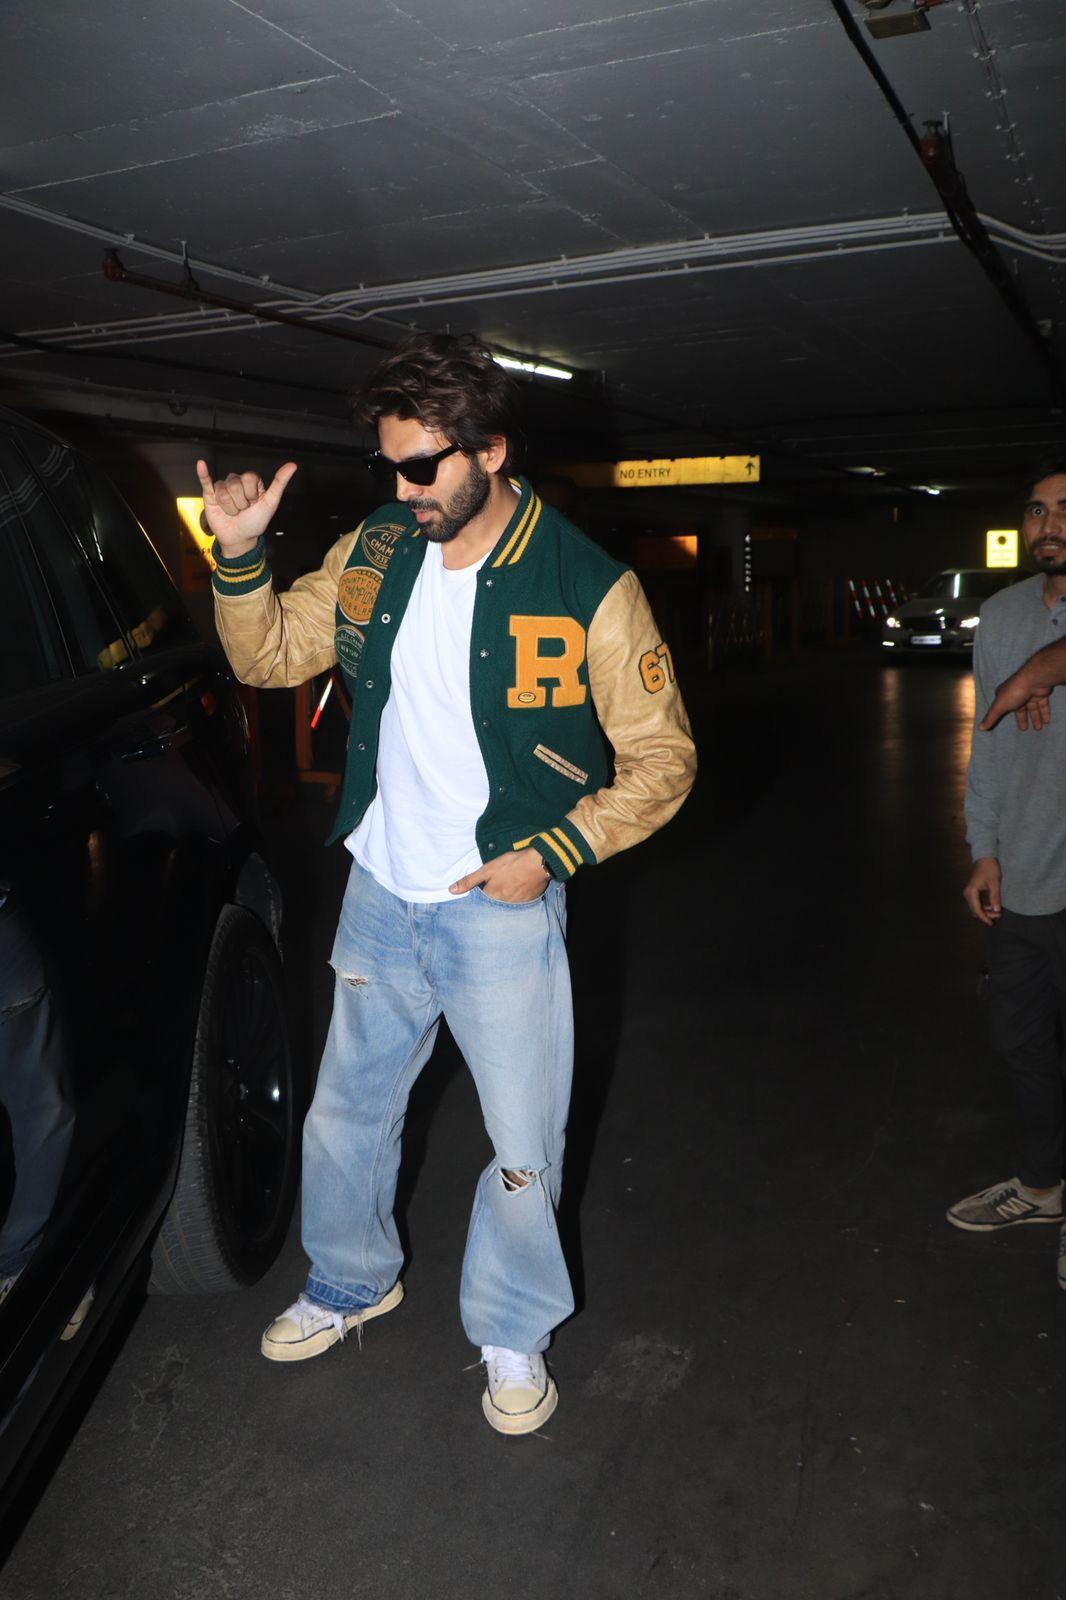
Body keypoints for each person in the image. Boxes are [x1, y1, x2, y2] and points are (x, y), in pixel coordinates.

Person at [197, 333, 696, 1434]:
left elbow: (664, 761)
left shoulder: (586, 586)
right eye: (389, 466)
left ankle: (512, 1328)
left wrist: (552, 853)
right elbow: (272, 653)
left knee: (521, 1148)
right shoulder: (377, 547)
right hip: (382, 888)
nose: (404, 488)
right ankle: (349, 1278)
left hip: (499, 902)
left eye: (423, 466)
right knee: (343, 1117)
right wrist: (239, 558)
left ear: (492, 450)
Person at [951, 463, 1066, 1288]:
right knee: (1020, 1040)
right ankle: (1042, 1186)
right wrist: (982, 846)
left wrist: (1053, 664)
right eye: (1036, 509)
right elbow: (987, 742)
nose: (1047, 522)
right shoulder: (1002, 615)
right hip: (1026, 869)